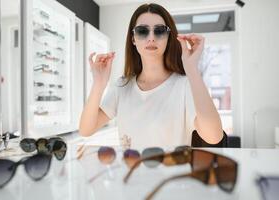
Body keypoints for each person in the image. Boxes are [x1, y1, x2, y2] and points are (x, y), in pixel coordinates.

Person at [79, 3, 224, 149]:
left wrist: (192, 69)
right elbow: (86, 129)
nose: (151, 38)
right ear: (133, 39)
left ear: (168, 37)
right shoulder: (123, 86)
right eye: (142, 31)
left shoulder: (184, 85)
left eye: (159, 31)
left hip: (174, 171)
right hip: (131, 171)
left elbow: (214, 137)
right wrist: (98, 84)